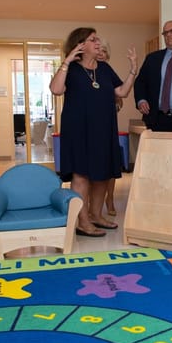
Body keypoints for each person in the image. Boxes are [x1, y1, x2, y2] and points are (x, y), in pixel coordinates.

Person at [50, 27, 137, 237]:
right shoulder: (70, 69)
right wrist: (67, 60)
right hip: (78, 131)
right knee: (81, 176)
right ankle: (82, 221)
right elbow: (56, 89)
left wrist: (133, 69)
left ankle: (97, 215)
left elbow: (122, 92)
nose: (98, 43)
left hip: (104, 129)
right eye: (92, 40)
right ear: (80, 45)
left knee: (102, 175)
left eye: (97, 39)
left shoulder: (105, 69)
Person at [97, 38, 121, 217]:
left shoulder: (108, 72)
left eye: (104, 52)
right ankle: (90, 205)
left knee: (110, 165)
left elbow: (119, 99)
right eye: (98, 51)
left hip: (108, 126)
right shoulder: (85, 72)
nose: (101, 54)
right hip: (91, 127)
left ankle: (110, 199)